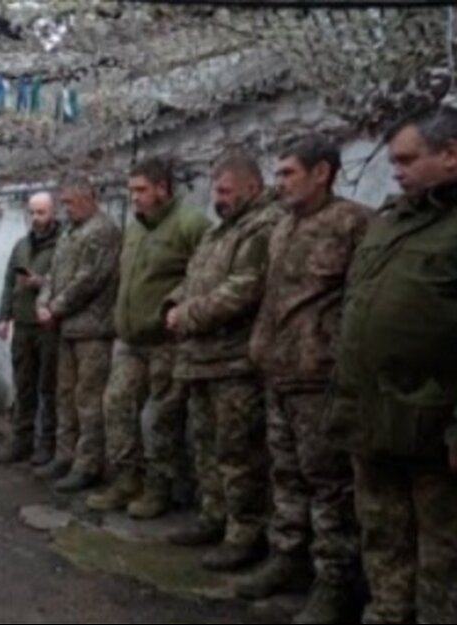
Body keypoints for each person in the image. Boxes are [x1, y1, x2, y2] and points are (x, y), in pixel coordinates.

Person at [329, 106, 457, 624]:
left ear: (450, 154)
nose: (397, 171)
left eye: (407, 160)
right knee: (382, 539)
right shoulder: (391, 221)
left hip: (432, 425)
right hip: (373, 417)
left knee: (441, 558)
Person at [242, 134, 372, 624]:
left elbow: (361, 303)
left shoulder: (353, 223)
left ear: (322, 173)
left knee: (328, 484)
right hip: (278, 373)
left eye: (288, 173)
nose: (280, 184)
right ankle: (288, 560)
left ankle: (334, 582)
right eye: (277, 174)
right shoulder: (282, 228)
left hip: (320, 380)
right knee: (286, 476)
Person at [161, 152, 281, 573]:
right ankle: (214, 518)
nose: (218, 197)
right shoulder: (219, 233)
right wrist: (174, 301)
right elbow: (196, 278)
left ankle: (244, 533)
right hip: (200, 360)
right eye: (216, 189)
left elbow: (243, 289)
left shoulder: (262, 228)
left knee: (238, 453)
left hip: (233, 363)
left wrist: (186, 315)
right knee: (206, 446)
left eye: (226, 190)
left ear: (252, 187)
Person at [87, 156, 209, 518]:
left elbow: (204, 274)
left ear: (162, 188)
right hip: (130, 339)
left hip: (165, 343)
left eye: (140, 190)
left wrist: (176, 302)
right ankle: (127, 479)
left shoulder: (190, 225)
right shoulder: (135, 228)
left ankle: (159, 488)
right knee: (116, 405)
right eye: (130, 190)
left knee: (160, 419)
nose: (134, 197)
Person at [34, 177, 121, 487]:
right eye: (63, 203)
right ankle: (64, 455)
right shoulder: (69, 233)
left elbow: (89, 280)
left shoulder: (103, 231)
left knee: (88, 399)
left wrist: (54, 307)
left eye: (70, 203)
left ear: (88, 199)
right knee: (65, 395)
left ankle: (87, 464)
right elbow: (53, 275)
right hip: (66, 329)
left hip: (92, 330)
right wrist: (43, 301)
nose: (65, 209)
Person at [0, 191, 61, 466]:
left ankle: (47, 444)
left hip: (48, 326)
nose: (36, 218)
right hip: (22, 323)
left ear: (53, 212)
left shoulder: (62, 246)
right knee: (23, 384)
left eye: (41, 212)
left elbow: (66, 281)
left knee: (48, 385)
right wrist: (3, 316)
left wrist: (40, 283)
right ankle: (21, 440)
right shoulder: (22, 245)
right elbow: (10, 281)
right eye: (32, 212)